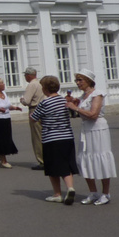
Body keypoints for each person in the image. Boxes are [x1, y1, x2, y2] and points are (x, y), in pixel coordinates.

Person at [66, 69, 117, 205]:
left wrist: (75, 108)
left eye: (80, 80)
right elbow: (84, 112)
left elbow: (93, 114)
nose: (77, 83)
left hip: (98, 129)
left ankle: (106, 193)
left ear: (88, 80)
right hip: (86, 129)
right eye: (76, 80)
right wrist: (76, 104)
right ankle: (93, 192)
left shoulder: (97, 94)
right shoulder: (84, 96)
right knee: (85, 158)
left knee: (100, 158)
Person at [31, 75, 79, 204]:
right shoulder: (64, 101)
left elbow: (34, 118)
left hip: (51, 138)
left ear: (45, 89)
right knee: (66, 164)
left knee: (53, 167)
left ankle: (57, 193)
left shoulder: (44, 103)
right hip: (67, 137)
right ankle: (70, 188)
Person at [0, 77, 21, 168]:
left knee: (7, 138)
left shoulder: (4, 93)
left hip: (6, 119)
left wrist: (15, 108)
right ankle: (4, 161)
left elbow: (7, 106)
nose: (4, 84)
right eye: (2, 83)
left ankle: (1, 155)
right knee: (1, 140)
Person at [19, 67, 44, 170]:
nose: (25, 77)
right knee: (44, 135)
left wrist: (22, 100)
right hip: (44, 109)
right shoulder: (41, 83)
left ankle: (42, 160)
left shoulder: (32, 85)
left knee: (37, 136)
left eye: (25, 75)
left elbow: (27, 100)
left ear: (29, 75)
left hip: (34, 109)